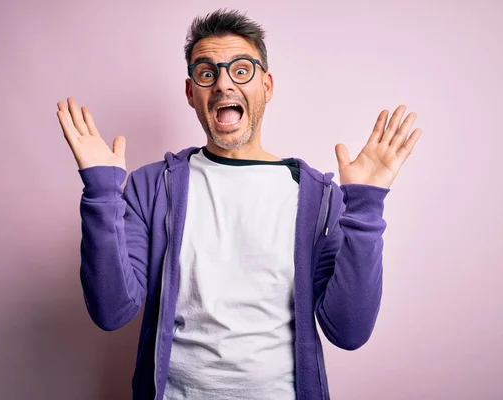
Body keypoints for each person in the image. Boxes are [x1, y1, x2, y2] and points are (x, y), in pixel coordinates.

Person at [56, 9, 421, 400]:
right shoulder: (151, 185)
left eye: (241, 70)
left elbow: (348, 331)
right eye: (207, 73)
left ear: (267, 85)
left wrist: (364, 207)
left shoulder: (315, 195)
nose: (224, 84)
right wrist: (100, 191)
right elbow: (111, 310)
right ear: (190, 92)